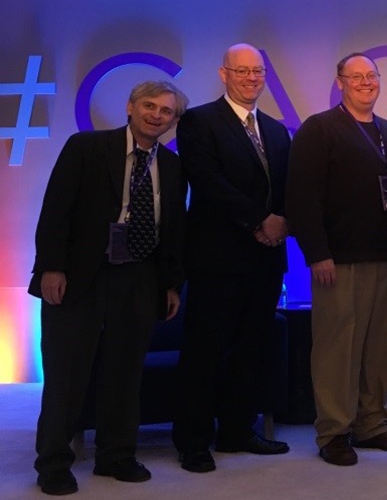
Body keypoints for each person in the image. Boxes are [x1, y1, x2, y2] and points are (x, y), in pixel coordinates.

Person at [30, 80, 188, 495]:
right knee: (67, 373)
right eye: (149, 106)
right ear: (130, 107)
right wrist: (51, 268)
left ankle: (116, 455)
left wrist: (171, 284)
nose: (157, 115)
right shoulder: (86, 147)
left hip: (140, 276)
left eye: (166, 111)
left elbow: (172, 231)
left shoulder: (173, 167)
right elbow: (55, 211)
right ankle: (53, 463)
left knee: (125, 372)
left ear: (174, 121)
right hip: (82, 274)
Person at [286, 52, 387, 466]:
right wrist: (317, 254)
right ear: (339, 82)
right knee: (337, 349)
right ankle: (334, 431)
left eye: (371, 76)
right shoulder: (319, 129)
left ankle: (373, 423)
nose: (365, 82)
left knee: (381, 347)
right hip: (338, 261)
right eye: (355, 76)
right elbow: (302, 197)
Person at [172, 43, 291, 473]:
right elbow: (208, 182)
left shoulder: (277, 130)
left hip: (265, 261)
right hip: (217, 259)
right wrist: (260, 220)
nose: (251, 78)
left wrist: (281, 221)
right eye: (242, 71)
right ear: (224, 74)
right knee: (205, 351)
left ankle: (238, 431)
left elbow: (288, 189)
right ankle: (193, 441)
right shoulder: (199, 121)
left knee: (251, 350)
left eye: (257, 71)